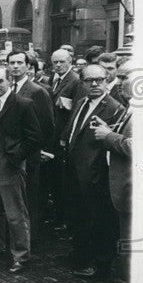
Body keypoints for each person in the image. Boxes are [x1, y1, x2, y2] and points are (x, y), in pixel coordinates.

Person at [0, 66, 42, 273]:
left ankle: (21, 255)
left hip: (7, 160)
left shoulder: (23, 104)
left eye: (0, 81)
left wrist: (16, 157)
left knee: (15, 210)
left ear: (9, 81)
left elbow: (35, 137)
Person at [61, 64, 124, 279]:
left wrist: (97, 174)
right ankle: (80, 255)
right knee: (79, 216)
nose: (94, 84)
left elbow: (109, 145)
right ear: (83, 82)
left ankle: (101, 264)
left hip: (96, 175)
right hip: (75, 170)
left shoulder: (114, 108)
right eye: (89, 80)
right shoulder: (81, 102)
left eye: (99, 79)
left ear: (107, 79)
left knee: (99, 220)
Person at [92, 61, 133, 283]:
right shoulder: (133, 107)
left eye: (123, 77)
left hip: (134, 194)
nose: (117, 83)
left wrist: (108, 136)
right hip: (124, 192)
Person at [6, 50, 55, 246]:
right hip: (13, 153)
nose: (15, 66)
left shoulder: (36, 91)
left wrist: (41, 150)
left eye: (19, 63)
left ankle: (30, 240)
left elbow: (47, 125)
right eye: (12, 63)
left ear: (28, 66)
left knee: (30, 198)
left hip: (30, 153)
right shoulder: (8, 87)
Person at [48, 48, 86, 224]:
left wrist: (65, 137)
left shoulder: (75, 81)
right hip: (54, 135)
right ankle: (58, 213)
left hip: (62, 136)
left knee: (63, 179)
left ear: (70, 61)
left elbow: (77, 111)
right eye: (55, 62)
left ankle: (64, 216)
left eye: (61, 61)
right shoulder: (54, 79)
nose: (58, 65)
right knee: (55, 177)